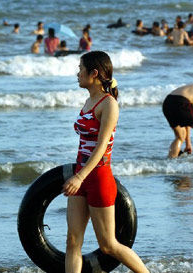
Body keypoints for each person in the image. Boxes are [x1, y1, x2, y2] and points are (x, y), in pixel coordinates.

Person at [63, 51, 149, 273]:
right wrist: (79, 175)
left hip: (98, 178)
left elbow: (102, 147)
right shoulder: (88, 100)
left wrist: (80, 176)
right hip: (80, 175)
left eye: (80, 68)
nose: (77, 73)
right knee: (73, 241)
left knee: (108, 245)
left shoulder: (108, 104)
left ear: (94, 73)